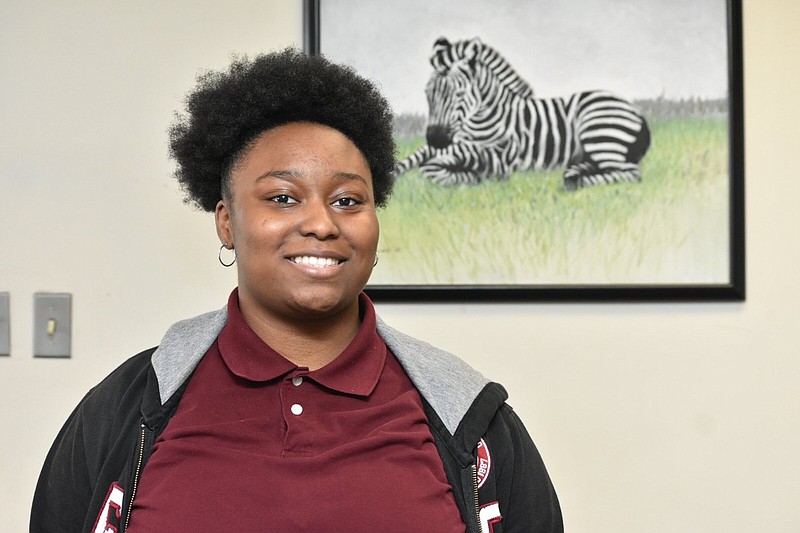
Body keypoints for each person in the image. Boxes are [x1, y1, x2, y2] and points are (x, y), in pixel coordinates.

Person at [30, 48, 562, 533]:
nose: (321, 223)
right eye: (283, 198)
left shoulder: (468, 417)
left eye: (349, 200)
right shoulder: (125, 413)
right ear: (226, 223)